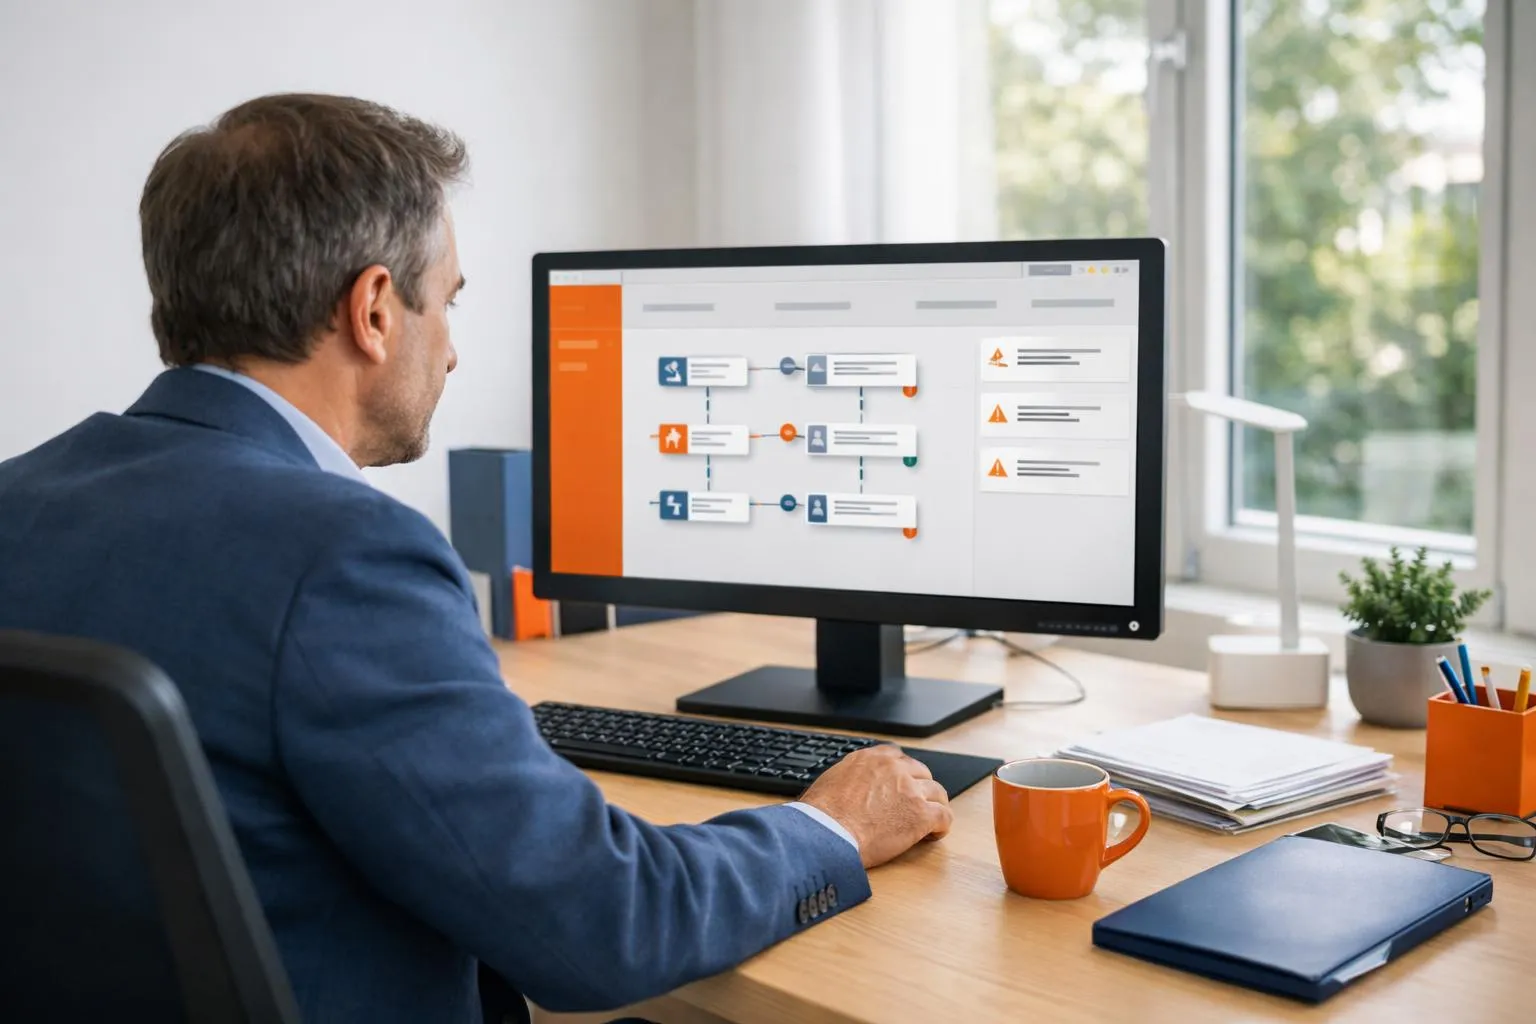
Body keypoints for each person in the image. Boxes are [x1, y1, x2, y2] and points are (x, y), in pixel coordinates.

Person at [0, 94, 952, 1023]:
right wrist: (831, 826)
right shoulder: (343, 555)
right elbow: (605, 926)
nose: (451, 352)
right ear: (374, 309)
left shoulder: (17, 499)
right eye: (446, 301)